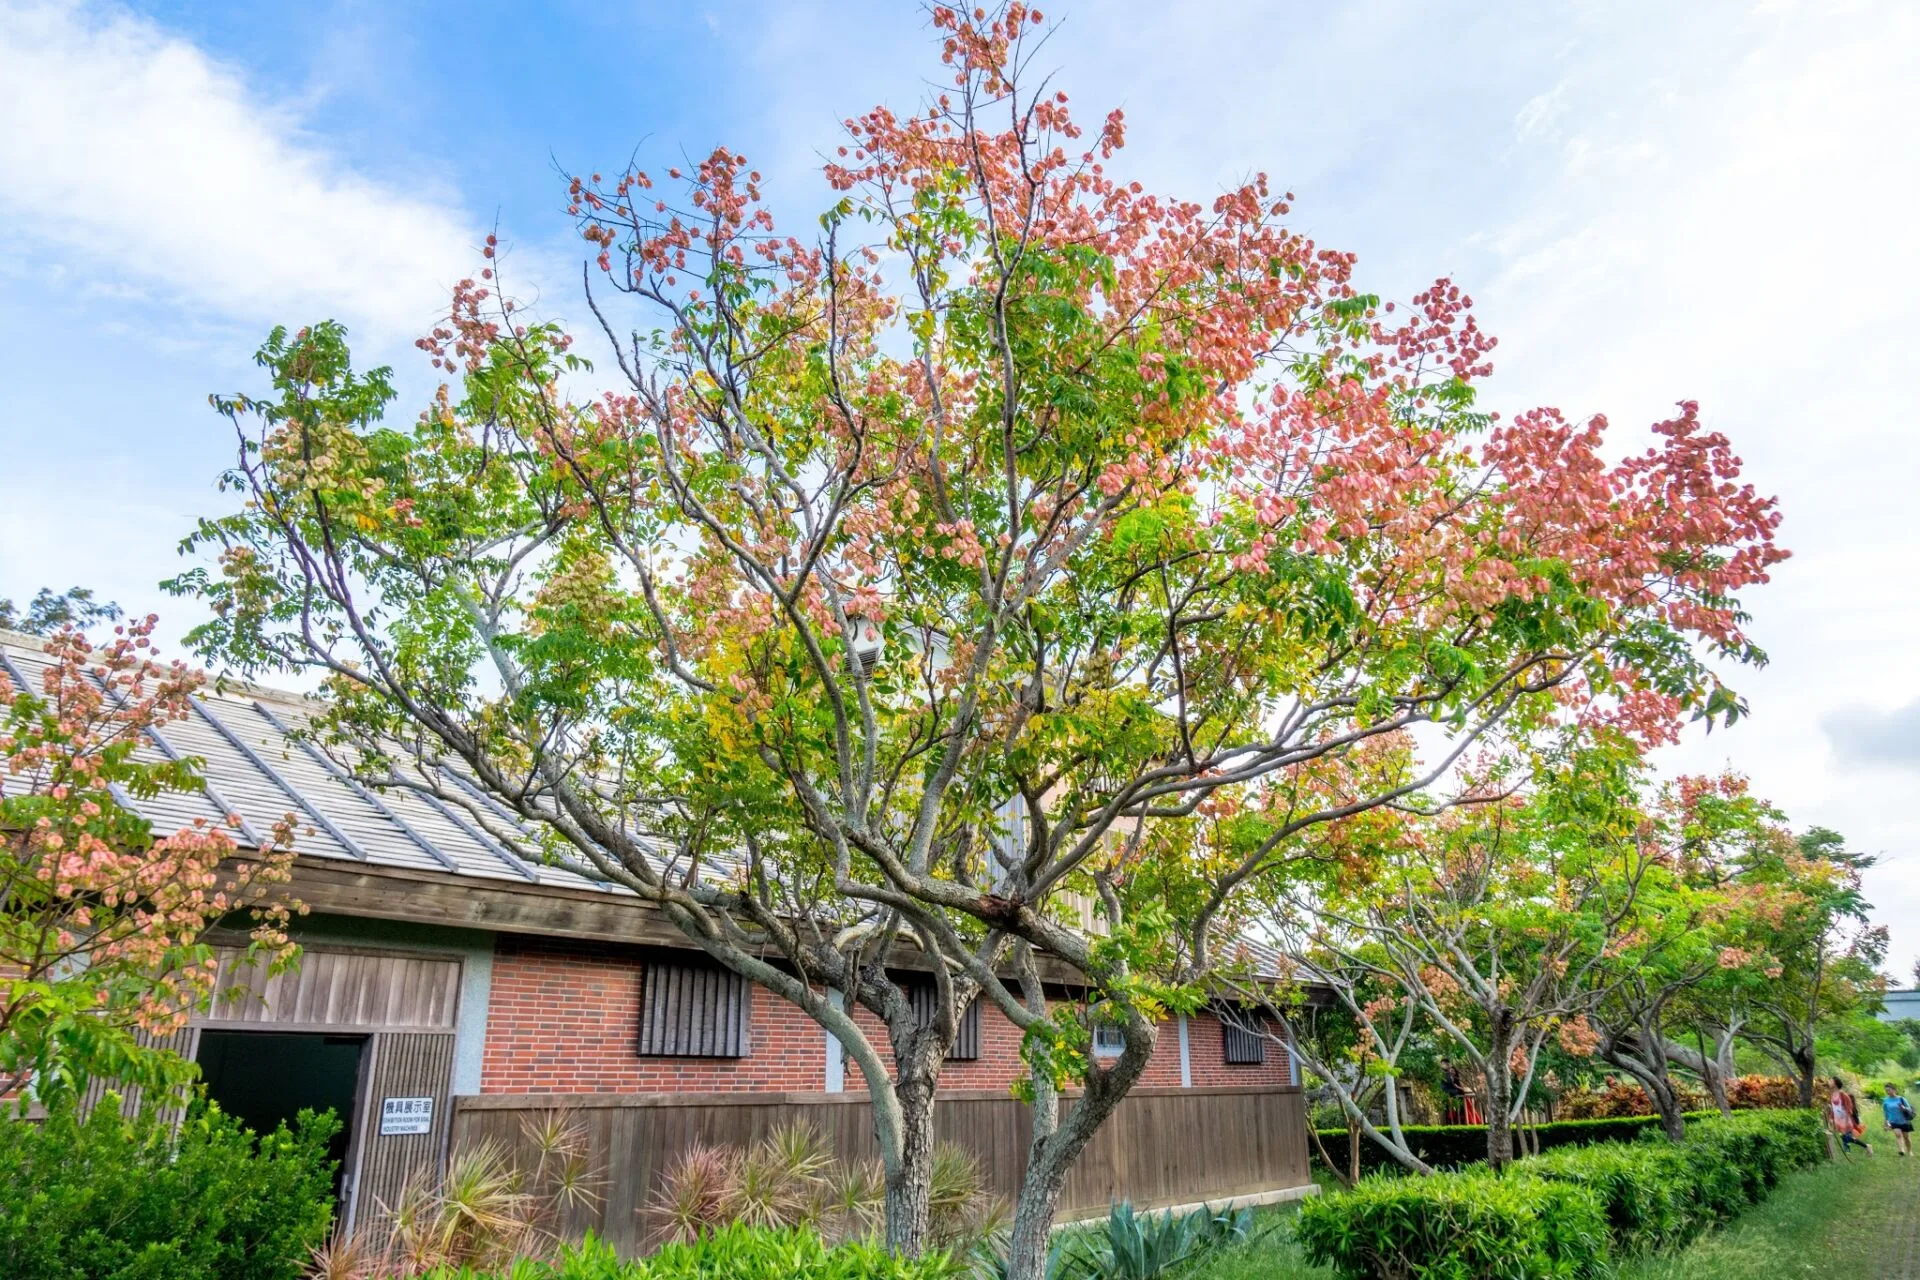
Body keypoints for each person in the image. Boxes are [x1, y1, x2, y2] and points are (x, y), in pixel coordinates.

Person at [1830, 1077, 1873, 1156]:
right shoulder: (1832, 1095)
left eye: (1831, 1081)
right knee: (1844, 1137)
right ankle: (1848, 1153)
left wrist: (1846, 1120)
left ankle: (1867, 1146)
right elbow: (1833, 1108)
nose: (1829, 1082)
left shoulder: (1843, 1095)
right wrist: (1831, 1118)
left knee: (1847, 1137)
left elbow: (1849, 1108)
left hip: (1846, 1120)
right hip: (1838, 1120)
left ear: (1835, 1083)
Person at [1882, 1082, 1915, 1157]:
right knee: (1898, 1134)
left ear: (1894, 1090)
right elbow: (1886, 1112)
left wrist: (1903, 1108)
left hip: (1904, 1121)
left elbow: (1909, 1109)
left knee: (1906, 1138)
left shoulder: (1901, 1099)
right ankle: (1901, 1150)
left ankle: (1910, 1151)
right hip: (1893, 1121)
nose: (1887, 1092)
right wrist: (1886, 1123)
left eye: (1889, 1090)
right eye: (1886, 1090)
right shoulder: (1885, 1100)